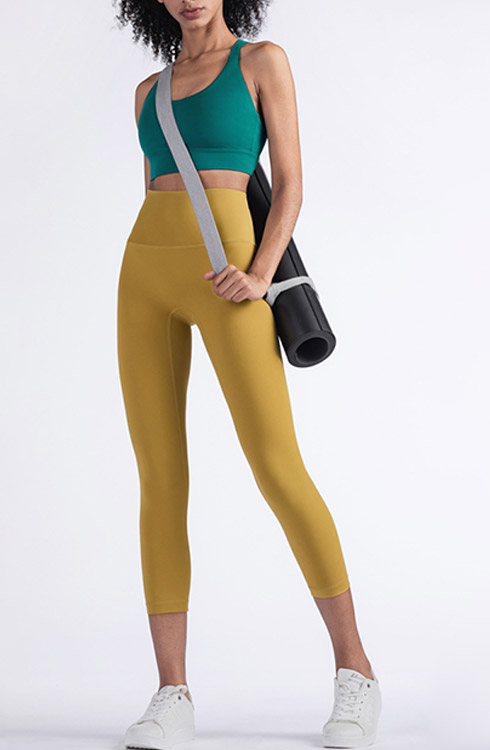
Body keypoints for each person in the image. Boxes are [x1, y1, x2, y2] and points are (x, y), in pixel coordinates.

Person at [113, 2, 382, 747]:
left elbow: (289, 183)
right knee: (159, 479)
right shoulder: (148, 93)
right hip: (144, 275)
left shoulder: (261, 62)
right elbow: (155, 187)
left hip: (230, 273)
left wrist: (261, 274)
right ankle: (171, 692)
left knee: (277, 466)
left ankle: (356, 671)